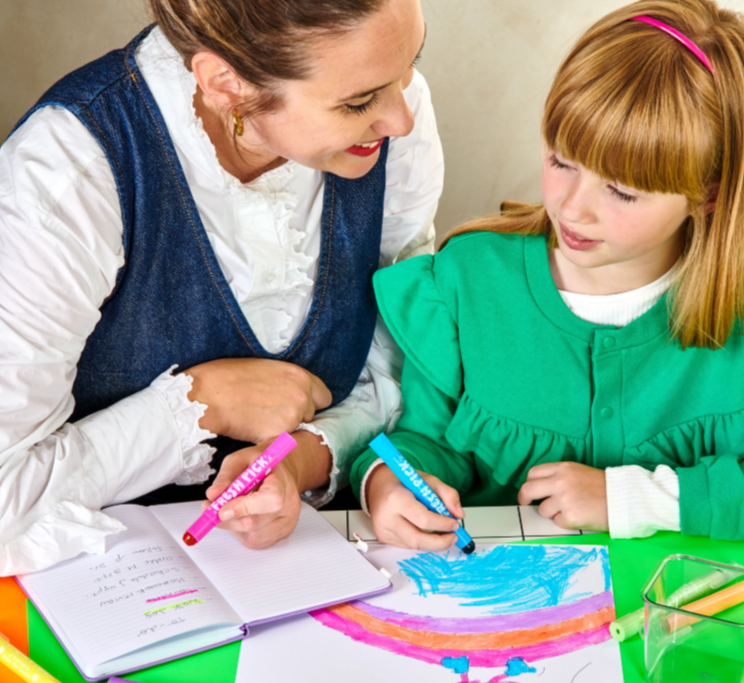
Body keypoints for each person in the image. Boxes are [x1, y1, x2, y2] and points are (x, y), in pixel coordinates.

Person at [0, 0, 443, 575]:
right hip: (106, 585)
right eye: (358, 102)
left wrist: (303, 459)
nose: (402, 118)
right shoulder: (65, 177)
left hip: (314, 564)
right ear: (225, 84)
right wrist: (199, 405)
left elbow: (401, 361)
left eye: (410, 65)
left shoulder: (389, 113)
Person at [351, 0, 744, 550]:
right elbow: (422, 442)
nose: (573, 210)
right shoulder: (468, 282)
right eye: (562, 161)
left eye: (623, 191)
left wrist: (630, 498)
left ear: (707, 194)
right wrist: (387, 484)